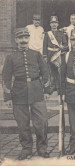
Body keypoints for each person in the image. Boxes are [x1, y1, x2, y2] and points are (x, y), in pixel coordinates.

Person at [2, 27, 51, 160]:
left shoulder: (36, 54)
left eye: (25, 38)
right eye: (20, 38)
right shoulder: (11, 57)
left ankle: (42, 148)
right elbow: (6, 77)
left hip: (36, 90)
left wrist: (47, 90)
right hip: (19, 92)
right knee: (22, 123)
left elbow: (45, 72)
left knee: (41, 121)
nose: (23, 40)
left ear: (29, 39)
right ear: (16, 40)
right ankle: (26, 149)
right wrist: (7, 97)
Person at [43, 15, 68, 93]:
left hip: (58, 53)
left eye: (55, 23)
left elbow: (65, 44)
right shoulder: (47, 34)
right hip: (50, 53)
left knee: (59, 71)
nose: (54, 24)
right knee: (51, 71)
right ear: (50, 24)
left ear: (58, 24)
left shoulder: (61, 33)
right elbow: (44, 45)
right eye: (52, 23)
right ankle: (52, 86)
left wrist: (62, 47)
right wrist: (45, 56)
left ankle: (59, 87)